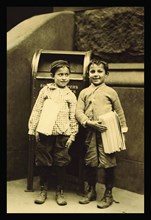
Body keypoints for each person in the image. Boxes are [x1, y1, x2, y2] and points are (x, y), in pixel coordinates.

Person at [75, 57, 128, 209]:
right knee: (90, 162)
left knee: (108, 163)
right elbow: (78, 111)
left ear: (106, 74)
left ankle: (108, 194)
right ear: (88, 74)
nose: (96, 74)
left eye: (100, 71)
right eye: (92, 71)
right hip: (90, 133)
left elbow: (119, 111)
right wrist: (88, 122)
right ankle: (91, 191)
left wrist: (122, 130)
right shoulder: (84, 92)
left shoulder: (110, 92)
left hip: (107, 133)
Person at [28, 60, 78, 206]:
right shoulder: (45, 91)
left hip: (63, 133)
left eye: (66, 75)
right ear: (53, 76)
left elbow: (73, 116)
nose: (63, 78)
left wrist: (73, 134)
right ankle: (43, 190)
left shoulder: (70, 95)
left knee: (61, 161)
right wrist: (33, 128)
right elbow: (37, 109)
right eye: (60, 74)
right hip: (45, 133)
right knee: (44, 161)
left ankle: (60, 190)